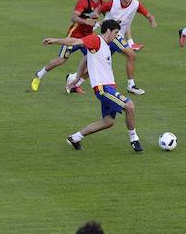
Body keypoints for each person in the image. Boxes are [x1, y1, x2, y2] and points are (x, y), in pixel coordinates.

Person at [44, 20, 143, 152]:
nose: (116, 36)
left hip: (109, 88)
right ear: (108, 31)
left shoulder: (106, 46)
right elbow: (75, 41)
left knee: (108, 121)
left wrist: (78, 78)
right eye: (115, 33)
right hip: (103, 89)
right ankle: (134, 140)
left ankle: (75, 137)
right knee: (130, 106)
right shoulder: (96, 40)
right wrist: (55, 40)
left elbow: (85, 59)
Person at [32, 0, 105, 93]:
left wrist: (101, 23)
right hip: (74, 36)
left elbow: (108, 15)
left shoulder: (101, 3)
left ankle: (74, 83)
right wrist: (87, 22)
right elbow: (73, 17)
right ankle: (39, 75)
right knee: (61, 60)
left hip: (88, 37)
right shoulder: (84, 2)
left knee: (95, 61)